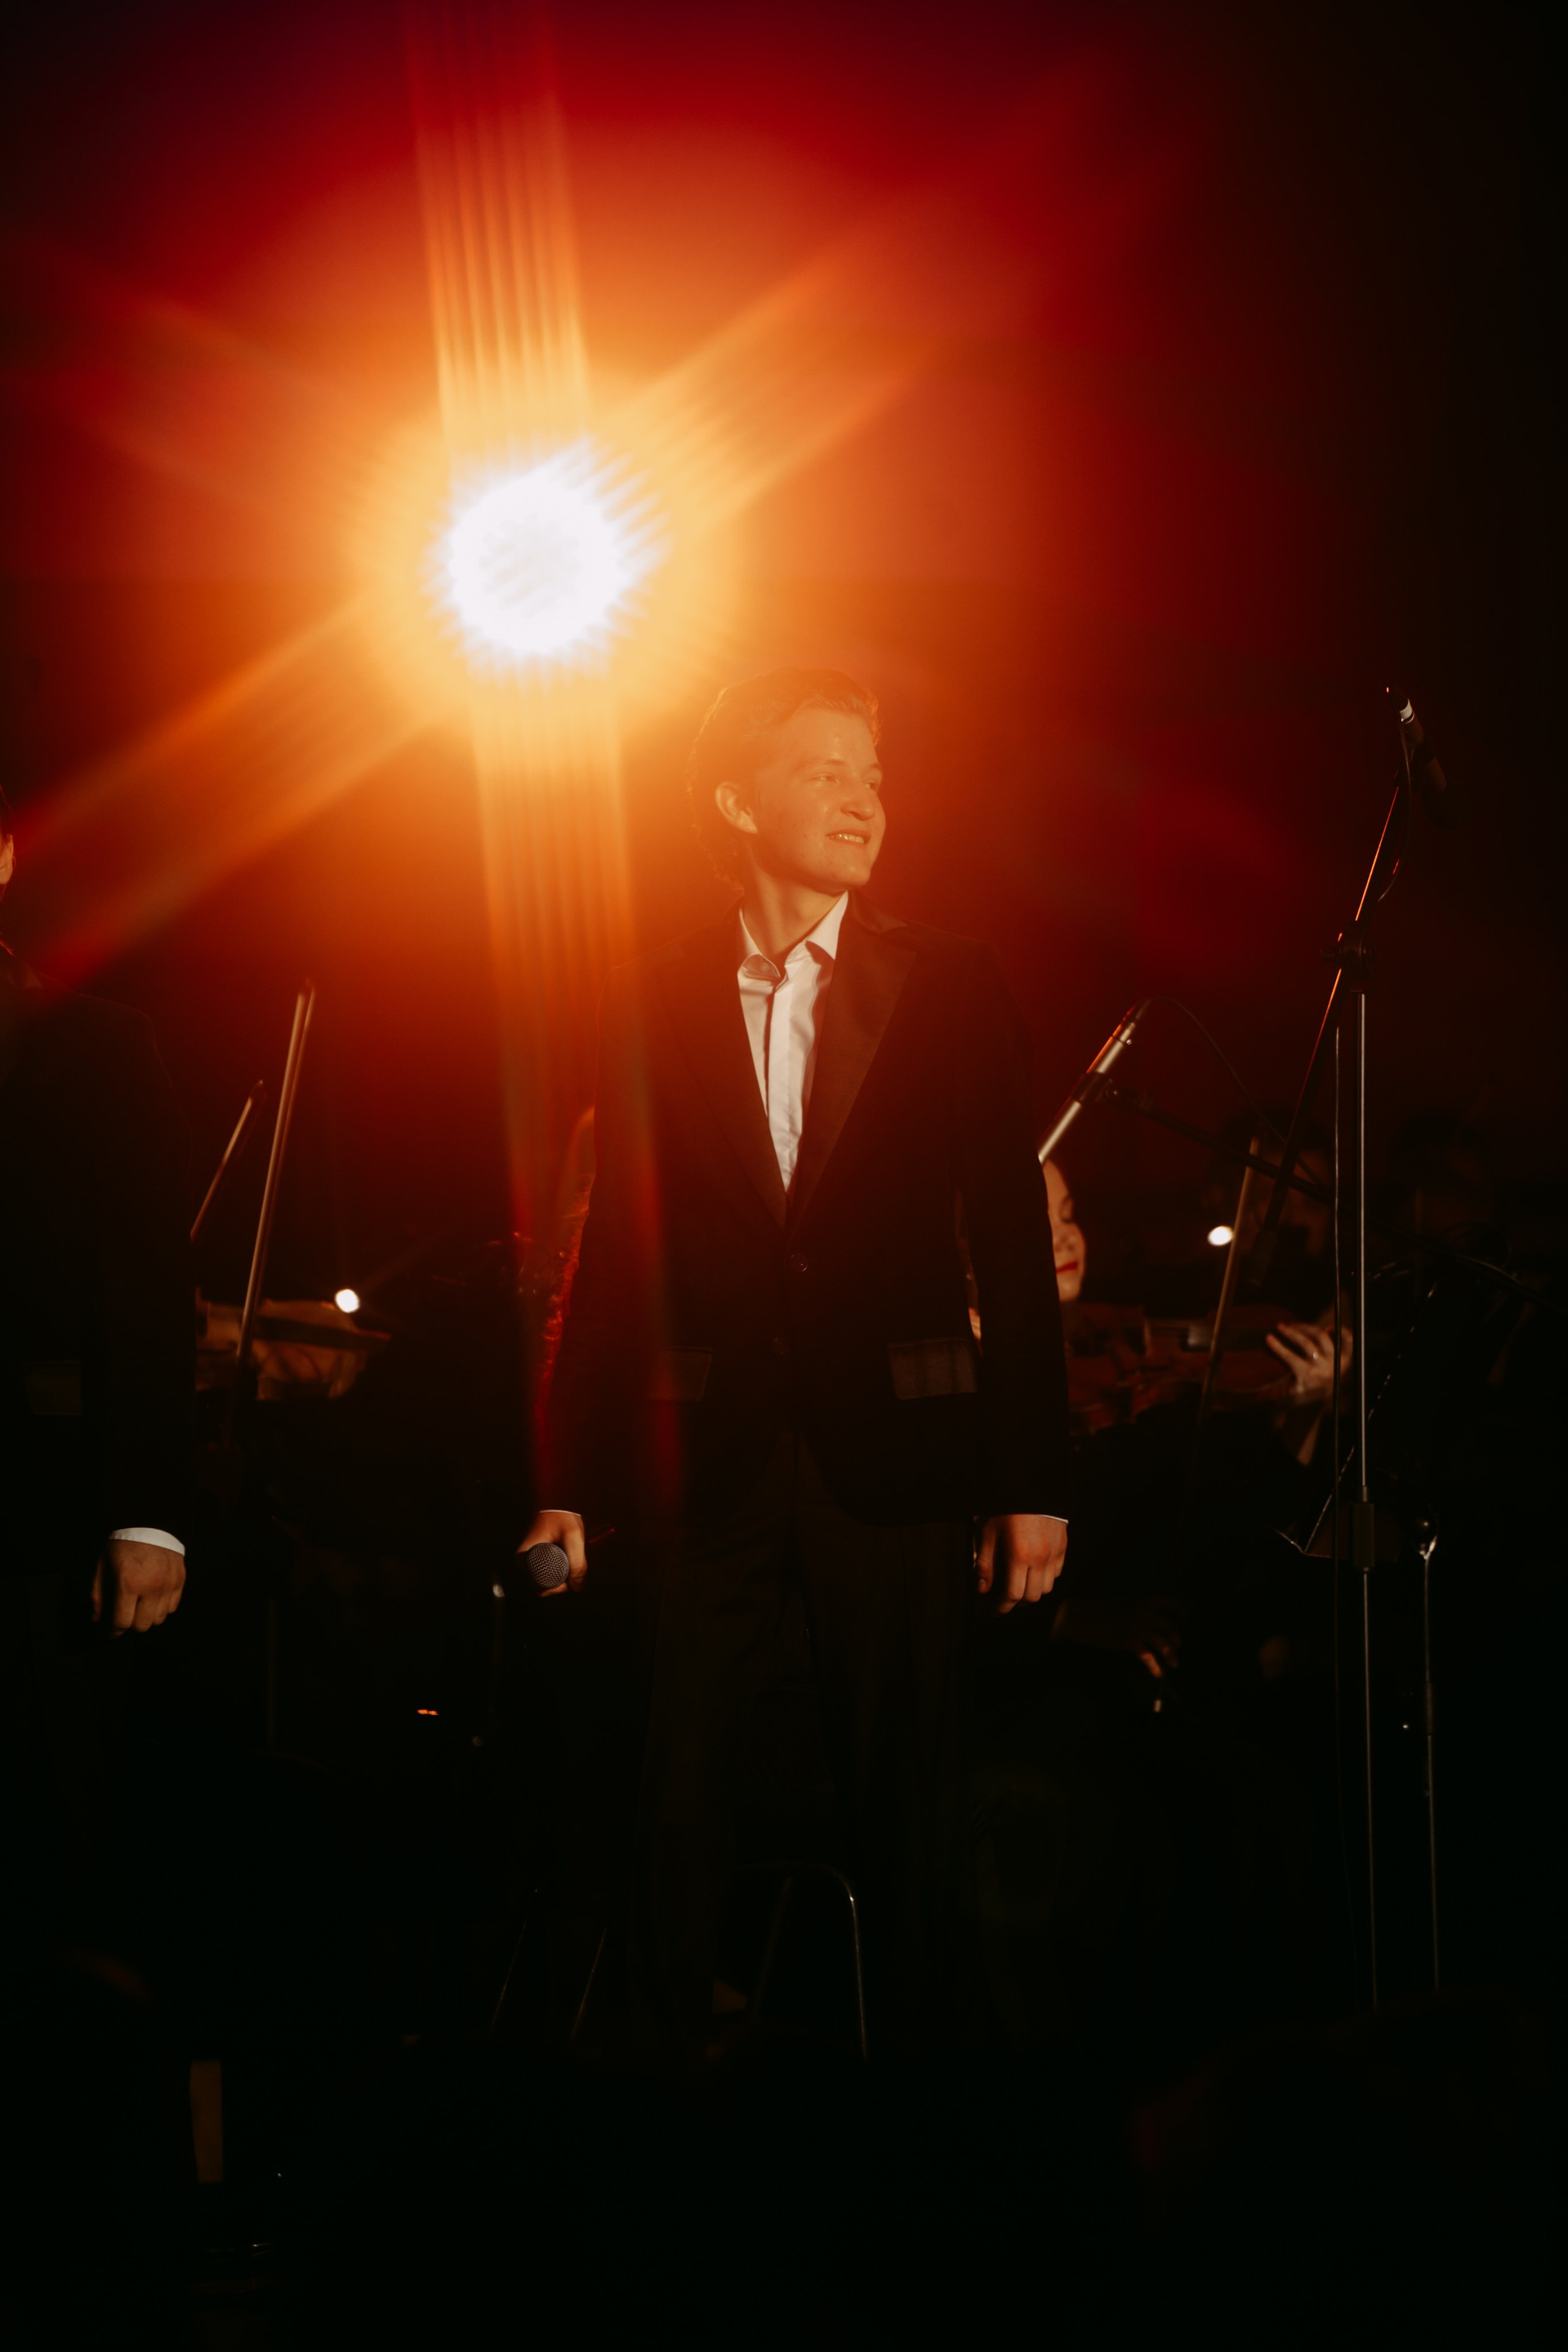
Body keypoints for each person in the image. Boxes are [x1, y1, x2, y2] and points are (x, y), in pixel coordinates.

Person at [520, 668, 1070, 2060]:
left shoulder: (951, 981)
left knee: (913, 1813)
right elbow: (618, 1256)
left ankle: (933, 2127)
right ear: (735, 800)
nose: (863, 800)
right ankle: (650, 2114)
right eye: (824, 772)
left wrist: (1033, 1481)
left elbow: (1011, 1244)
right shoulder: (650, 993)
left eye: (872, 776)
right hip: (702, 1454)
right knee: (665, 1807)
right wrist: (565, 1478)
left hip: (900, 1455)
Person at [0, 786, 193, 1950]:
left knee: (45, 1855)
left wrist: (149, 1513)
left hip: (38, 1516)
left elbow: (148, 1291)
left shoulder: (101, 1044)